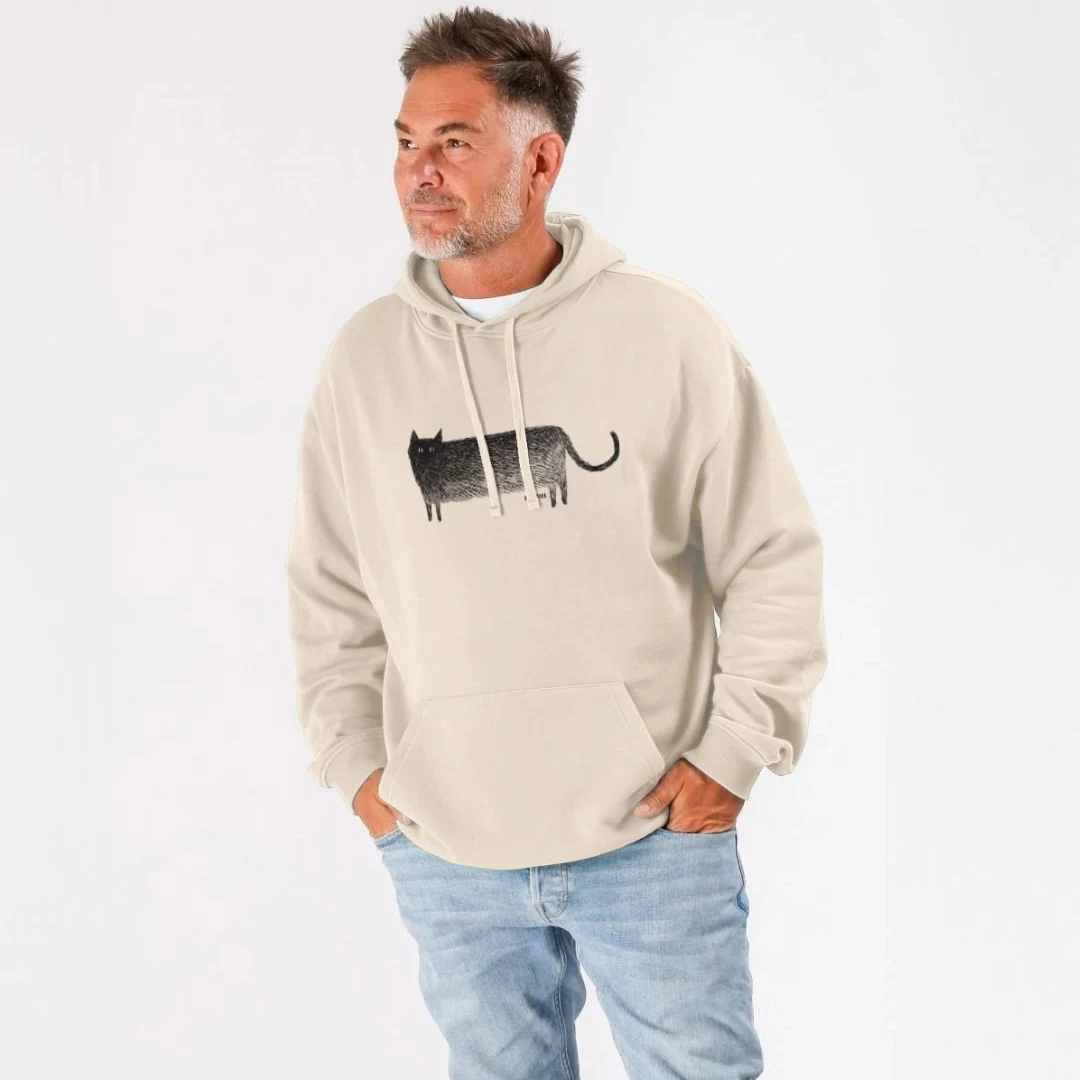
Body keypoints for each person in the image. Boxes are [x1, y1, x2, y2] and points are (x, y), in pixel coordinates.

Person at [284, 7, 827, 1078]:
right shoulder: (363, 361)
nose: (419, 171)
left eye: (454, 142)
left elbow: (771, 556)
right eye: (406, 141)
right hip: (446, 847)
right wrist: (361, 774)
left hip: (652, 838)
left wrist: (731, 755)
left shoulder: (666, 333)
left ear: (541, 162)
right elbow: (328, 591)